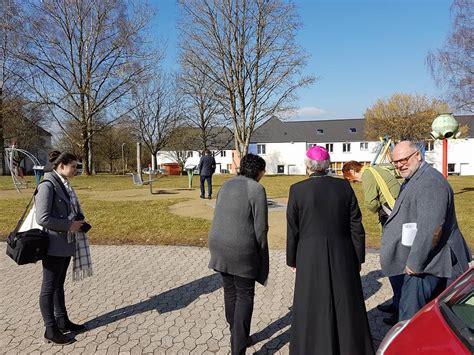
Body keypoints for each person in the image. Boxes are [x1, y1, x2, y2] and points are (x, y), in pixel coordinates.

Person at [287, 146, 374, 355]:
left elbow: (293, 229)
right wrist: (358, 256)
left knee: (311, 302)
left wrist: (292, 259)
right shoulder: (344, 187)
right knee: (345, 302)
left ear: (308, 166)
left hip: (308, 255)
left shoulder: (297, 189)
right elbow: (356, 224)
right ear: (326, 165)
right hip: (342, 252)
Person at [381, 140, 471, 322]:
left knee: (411, 317)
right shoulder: (416, 178)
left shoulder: (430, 182)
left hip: (430, 264)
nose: (400, 165)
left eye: (404, 159)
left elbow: (432, 227)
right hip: (426, 261)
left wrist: (415, 263)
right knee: (420, 314)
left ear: (418, 155)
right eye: (396, 162)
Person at [208, 154, 269, 355]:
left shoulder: (226, 185)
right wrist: (260, 255)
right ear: (258, 171)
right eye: (263, 170)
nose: (264, 174)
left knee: (230, 290)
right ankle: (239, 347)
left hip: (218, 244)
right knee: (244, 294)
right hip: (241, 249)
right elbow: (261, 229)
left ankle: (237, 333)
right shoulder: (257, 189)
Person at [35, 151, 93, 344]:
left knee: (59, 285)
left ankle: (62, 320)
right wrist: (69, 225)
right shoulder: (48, 185)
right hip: (53, 245)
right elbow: (42, 218)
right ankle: (50, 330)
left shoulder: (64, 184)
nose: (76, 170)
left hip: (66, 243)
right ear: (61, 166)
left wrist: (78, 221)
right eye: (74, 166)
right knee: (48, 288)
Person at [342, 161, 403, 325]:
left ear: (353, 171)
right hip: (397, 216)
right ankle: (397, 302)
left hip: (392, 219)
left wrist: (373, 207)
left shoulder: (368, 174)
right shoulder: (375, 169)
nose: (356, 182)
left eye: (353, 179)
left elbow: (370, 203)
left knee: (392, 263)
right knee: (394, 263)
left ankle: (401, 310)